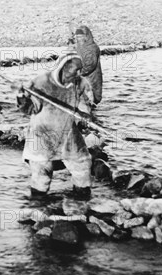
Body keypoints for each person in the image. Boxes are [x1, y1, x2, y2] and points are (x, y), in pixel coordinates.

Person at [14, 51, 95, 198]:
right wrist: (22, 96)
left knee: (82, 166)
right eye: (75, 69)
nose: (79, 72)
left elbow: (85, 106)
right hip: (42, 135)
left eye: (80, 69)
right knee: (41, 175)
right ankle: (38, 209)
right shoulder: (40, 83)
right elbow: (29, 109)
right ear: (63, 67)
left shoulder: (81, 83)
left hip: (69, 135)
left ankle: (81, 203)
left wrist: (85, 116)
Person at [74, 25, 103, 105]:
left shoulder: (92, 48)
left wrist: (78, 73)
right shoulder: (79, 47)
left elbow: (90, 65)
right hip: (82, 78)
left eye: (80, 37)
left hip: (91, 78)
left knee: (91, 97)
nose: (78, 39)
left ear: (86, 36)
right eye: (76, 37)